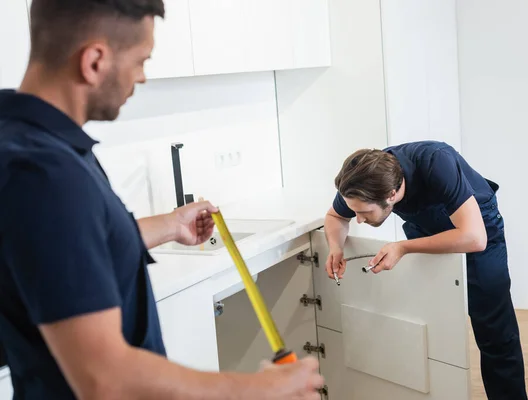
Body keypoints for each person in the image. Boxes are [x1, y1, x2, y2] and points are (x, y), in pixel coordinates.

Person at [0, 1, 323, 399]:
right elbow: (103, 378)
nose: (142, 78)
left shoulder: (25, 138)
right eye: (140, 60)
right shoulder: (46, 173)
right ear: (95, 61)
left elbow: (69, 246)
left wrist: (170, 226)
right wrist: (254, 389)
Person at [324, 141, 527, 400]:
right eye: (355, 212)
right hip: (426, 227)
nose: (359, 219)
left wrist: (404, 247)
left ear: (392, 195)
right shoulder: (363, 179)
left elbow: (475, 237)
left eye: (363, 213)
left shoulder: (436, 162)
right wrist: (336, 248)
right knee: (431, 326)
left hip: (478, 229)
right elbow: (335, 217)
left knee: (495, 334)